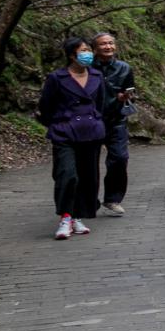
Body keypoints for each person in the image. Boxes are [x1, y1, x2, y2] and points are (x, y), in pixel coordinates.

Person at [37, 37, 106, 239]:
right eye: (82, 50)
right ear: (71, 55)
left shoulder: (97, 76)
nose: (88, 54)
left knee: (87, 177)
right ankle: (65, 216)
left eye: (88, 50)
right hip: (65, 132)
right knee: (67, 174)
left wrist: (97, 123)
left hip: (91, 132)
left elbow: (100, 104)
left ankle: (77, 216)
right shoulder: (57, 78)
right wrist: (59, 123)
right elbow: (45, 107)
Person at [92, 32, 135, 217]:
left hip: (116, 119)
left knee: (119, 158)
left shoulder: (124, 68)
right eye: (103, 44)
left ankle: (113, 198)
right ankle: (89, 199)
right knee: (89, 163)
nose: (108, 47)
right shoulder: (87, 68)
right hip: (91, 122)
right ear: (95, 48)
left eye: (110, 43)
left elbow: (130, 90)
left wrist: (125, 96)